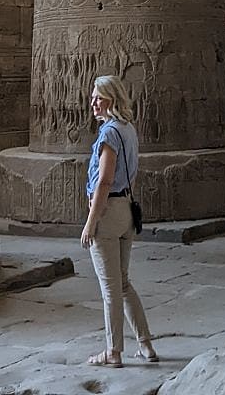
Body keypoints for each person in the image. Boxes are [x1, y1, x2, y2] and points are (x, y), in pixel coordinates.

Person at [80, 75, 159, 367]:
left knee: (110, 289)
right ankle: (146, 344)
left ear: (112, 99)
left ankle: (113, 352)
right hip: (126, 209)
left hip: (107, 212)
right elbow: (132, 173)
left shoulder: (109, 134)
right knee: (123, 284)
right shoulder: (128, 130)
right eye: (92, 98)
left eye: (98, 98)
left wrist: (91, 221)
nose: (93, 103)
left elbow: (104, 180)